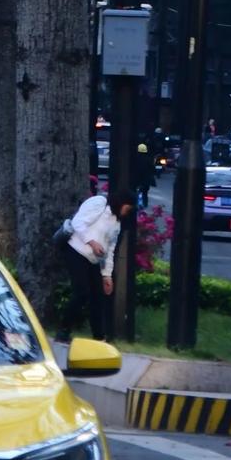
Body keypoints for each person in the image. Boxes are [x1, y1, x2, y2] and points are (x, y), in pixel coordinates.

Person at [56, 192, 123, 343]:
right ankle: (63, 330)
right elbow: (78, 222)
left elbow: (110, 249)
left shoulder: (117, 222)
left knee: (98, 297)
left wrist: (107, 275)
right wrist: (92, 242)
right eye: (127, 207)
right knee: (82, 292)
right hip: (76, 250)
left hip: (93, 259)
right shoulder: (99, 203)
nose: (127, 211)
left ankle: (99, 336)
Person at [134, 142, 156, 210]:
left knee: (137, 191)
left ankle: (137, 203)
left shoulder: (135, 159)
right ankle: (144, 204)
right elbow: (152, 169)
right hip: (146, 179)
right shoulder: (149, 159)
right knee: (145, 192)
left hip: (138, 178)